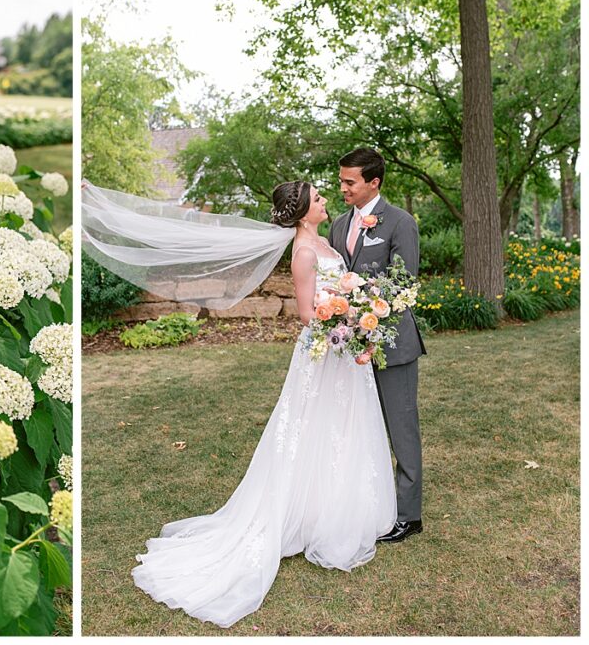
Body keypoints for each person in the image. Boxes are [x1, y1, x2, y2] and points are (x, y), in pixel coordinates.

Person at [82, 177, 397, 628]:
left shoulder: (324, 242)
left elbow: (337, 292)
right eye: (318, 197)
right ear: (303, 210)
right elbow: (306, 314)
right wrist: (348, 319)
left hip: (343, 353)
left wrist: (358, 311)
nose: (325, 200)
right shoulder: (304, 253)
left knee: (340, 429)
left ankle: (330, 511)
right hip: (325, 353)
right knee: (313, 428)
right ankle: (302, 515)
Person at [331, 148, 426, 543]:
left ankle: (409, 515)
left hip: (392, 344)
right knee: (357, 426)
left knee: (401, 427)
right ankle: (365, 503)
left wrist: (363, 309)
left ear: (374, 182)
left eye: (349, 182)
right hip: (350, 347)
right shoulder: (338, 225)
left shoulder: (401, 222)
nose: (342, 188)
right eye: (341, 180)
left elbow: (404, 284)